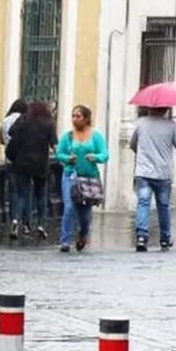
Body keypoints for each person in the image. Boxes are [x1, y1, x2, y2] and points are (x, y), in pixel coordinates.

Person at [130, 106, 176, 252]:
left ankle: (141, 236)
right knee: (163, 206)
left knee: (143, 203)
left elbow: (132, 144)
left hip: (143, 171)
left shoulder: (140, 123)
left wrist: (143, 153)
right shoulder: (171, 125)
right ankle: (165, 238)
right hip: (163, 173)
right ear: (166, 109)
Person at [55, 105, 108, 252]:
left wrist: (95, 157)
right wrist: (67, 158)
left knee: (85, 213)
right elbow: (59, 154)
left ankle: (83, 234)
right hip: (70, 175)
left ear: (86, 119)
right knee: (69, 206)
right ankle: (65, 241)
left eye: (78, 116)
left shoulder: (95, 136)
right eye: (73, 116)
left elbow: (105, 154)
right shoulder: (68, 137)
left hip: (89, 178)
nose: (74, 119)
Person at [5, 101, 57, 240]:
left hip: (22, 162)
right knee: (41, 196)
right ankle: (41, 225)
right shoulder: (49, 122)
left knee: (22, 194)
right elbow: (54, 144)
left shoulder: (23, 119)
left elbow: (11, 132)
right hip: (41, 163)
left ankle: (16, 221)